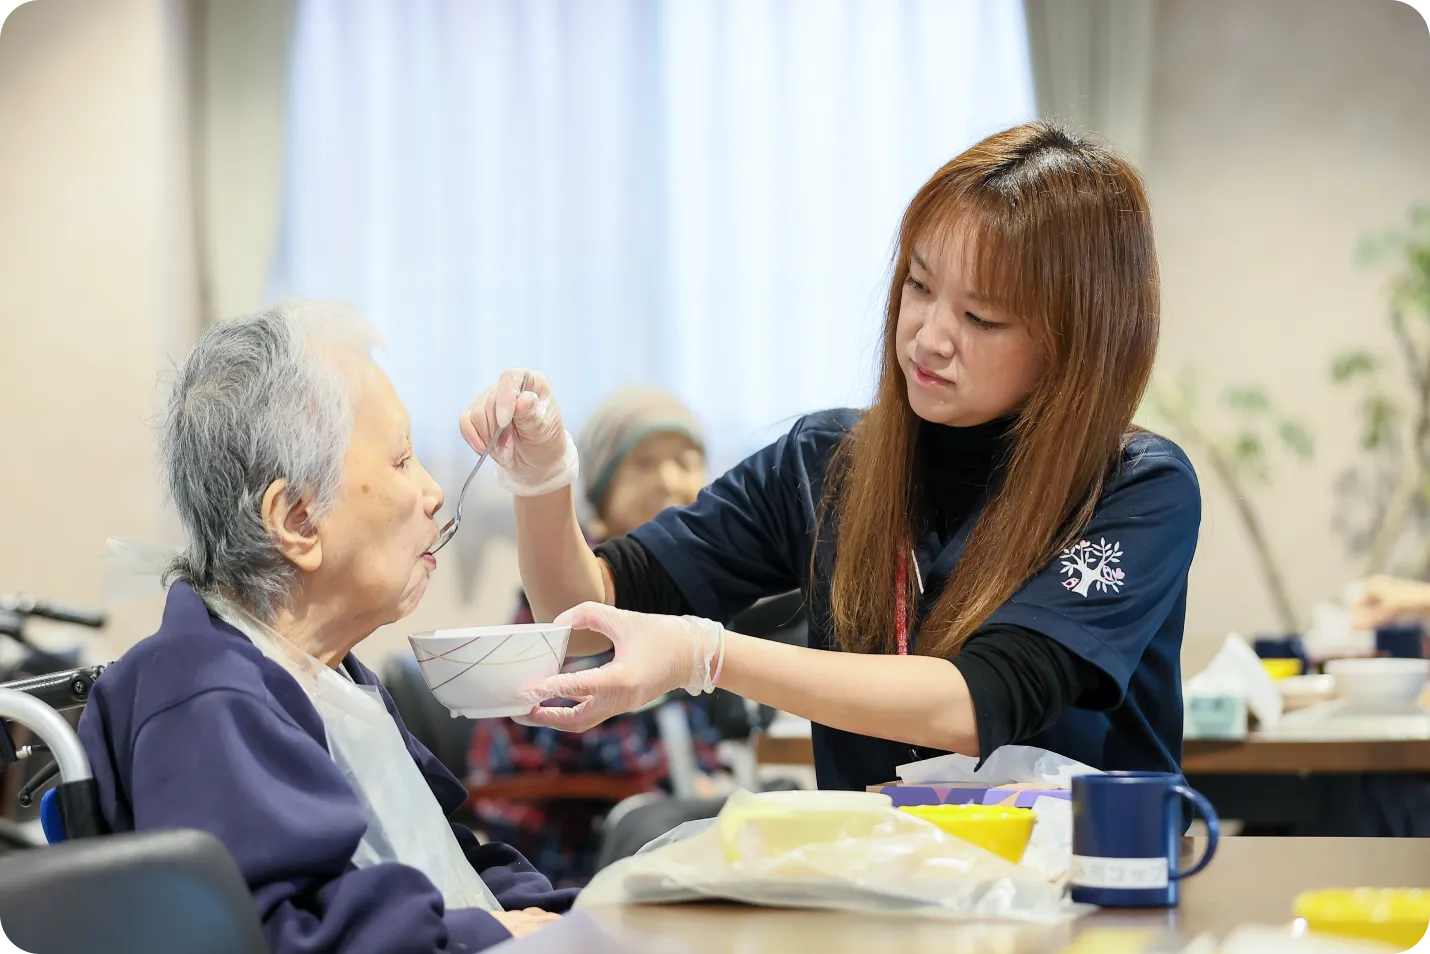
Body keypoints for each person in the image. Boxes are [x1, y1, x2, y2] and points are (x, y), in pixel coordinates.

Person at [462, 121, 1203, 792]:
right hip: (882, 894)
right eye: (918, 285)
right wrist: (544, 481)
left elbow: (980, 703)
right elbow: (583, 618)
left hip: (1081, 892)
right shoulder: (824, 463)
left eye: (980, 316)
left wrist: (706, 655)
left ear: (1074, 342)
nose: (928, 336)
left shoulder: (1136, 488)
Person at [78, 301, 573, 954]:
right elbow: (278, 936)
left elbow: (444, 862)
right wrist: (491, 931)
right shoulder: (204, 699)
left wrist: (580, 916)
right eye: (401, 462)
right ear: (298, 520)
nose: (432, 493)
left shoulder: (328, 674)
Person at [466, 387, 726, 886]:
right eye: (644, 463)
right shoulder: (564, 589)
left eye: (686, 461)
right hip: (565, 834)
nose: (670, 480)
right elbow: (568, 725)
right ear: (602, 491)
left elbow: (696, 719)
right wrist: (682, 777)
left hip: (650, 811)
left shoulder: (697, 587)